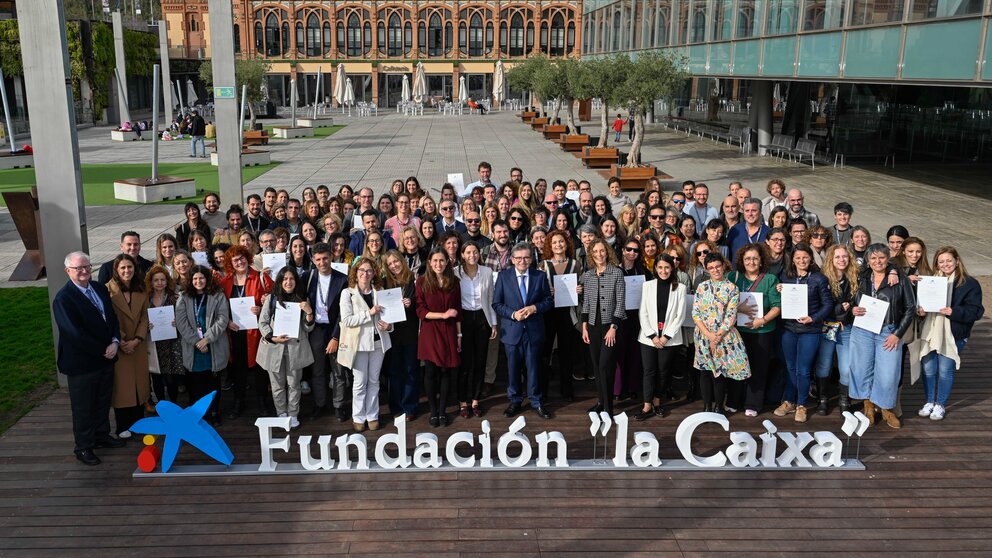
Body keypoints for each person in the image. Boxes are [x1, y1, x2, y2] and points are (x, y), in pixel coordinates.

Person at [54, 252, 126, 466]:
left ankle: (101, 436)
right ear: (68, 271)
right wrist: (103, 349)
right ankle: (84, 447)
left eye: (87, 266)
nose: (85, 271)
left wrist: (114, 341)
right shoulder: (64, 298)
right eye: (79, 268)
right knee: (84, 406)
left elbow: (111, 318)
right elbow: (74, 334)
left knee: (103, 400)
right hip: (82, 363)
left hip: (106, 356)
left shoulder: (99, 288)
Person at [850, 244, 916, 429]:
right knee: (863, 369)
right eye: (873, 258)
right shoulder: (861, 276)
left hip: (889, 331)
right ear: (868, 261)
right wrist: (854, 308)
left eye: (881, 258)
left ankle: (886, 407)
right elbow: (854, 297)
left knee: (888, 374)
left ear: (888, 259)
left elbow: (910, 308)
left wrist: (897, 334)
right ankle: (868, 405)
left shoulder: (899, 278)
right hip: (863, 329)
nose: (877, 262)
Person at [916, 247, 984, 421]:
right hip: (929, 332)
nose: (945, 264)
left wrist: (954, 311)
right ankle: (930, 400)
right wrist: (920, 311)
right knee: (928, 369)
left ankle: (940, 404)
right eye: (941, 261)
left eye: (949, 260)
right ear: (936, 264)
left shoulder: (969, 283)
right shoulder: (929, 281)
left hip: (953, 334)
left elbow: (976, 311)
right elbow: (919, 304)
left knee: (945, 370)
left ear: (957, 261)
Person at [493, 242, 554, 419]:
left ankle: (536, 401)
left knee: (534, 368)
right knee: (512, 369)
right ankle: (515, 400)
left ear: (531, 259)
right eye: (518, 258)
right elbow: (497, 304)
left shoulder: (540, 276)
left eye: (526, 257)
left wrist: (534, 308)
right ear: (512, 259)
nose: (522, 261)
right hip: (512, 331)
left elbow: (548, 301)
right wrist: (513, 314)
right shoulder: (504, 277)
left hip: (534, 331)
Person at [774, 244, 833, 423]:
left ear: (810, 258)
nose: (802, 261)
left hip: (810, 330)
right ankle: (789, 401)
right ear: (793, 259)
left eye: (805, 257)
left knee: (804, 369)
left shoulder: (819, 279)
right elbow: (779, 300)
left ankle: (801, 404)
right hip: (789, 329)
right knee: (790, 367)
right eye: (798, 258)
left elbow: (827, 305)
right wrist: (779, 289)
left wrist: (813, 318)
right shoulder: (785, 277)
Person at [338, 259, 394, 432]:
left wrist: (390, 326)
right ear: (356, 272)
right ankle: (358, 416)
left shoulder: (381, 291)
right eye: (362, 270)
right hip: (359, 344)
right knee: (360, 382)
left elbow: (390, 317)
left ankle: (372, 415)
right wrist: (368, 313)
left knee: (374, 381)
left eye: (369, 271)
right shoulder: (347, 293)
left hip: (378, 343)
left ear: (374, 273)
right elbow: (347, 320)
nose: (365, 274)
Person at [692, 253, 750, 414]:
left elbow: (731, 316)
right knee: (705, 371)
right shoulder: (702, 287)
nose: (715, 270)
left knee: (719, 372)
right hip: (703, 335)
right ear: (706, 269)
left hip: (723, 336)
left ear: (723, 266)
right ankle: (706, 406)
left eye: (717, 266)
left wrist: (716, 336)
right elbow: (696, 313)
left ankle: (718, 406)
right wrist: (708, 335)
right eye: (711, 267)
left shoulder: (732, 288)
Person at [257, 268, 314, 430]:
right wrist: (272, 337)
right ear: (280, 282)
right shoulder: (271, 298)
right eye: (285, 279)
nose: (288, 282)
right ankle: (281, 412)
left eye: (291, 279)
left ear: (296, 281)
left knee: (294, 383)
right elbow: (263, 323)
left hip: (295, 348)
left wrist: (309, 313)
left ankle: (293, 413)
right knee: (277, 384)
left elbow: (308, 328)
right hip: (274, 347)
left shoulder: (303, 299)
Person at [728, 243, 781, 417]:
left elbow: (777, 306)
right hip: (737, 331)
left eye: (755, 258)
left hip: (762, 332)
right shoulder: (733, 277)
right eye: (747, 259)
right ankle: (733, 401)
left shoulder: (770, 279)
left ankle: (753, 403)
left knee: (759, 368)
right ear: (741, 261)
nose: (751, 262)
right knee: (736, 366)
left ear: (761, 260)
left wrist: (763, 320)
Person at [219, 245, 272, 418]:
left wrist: (261, 307)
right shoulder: (225, 282)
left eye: (242, 258)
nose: (240, 262)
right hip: (235, 332)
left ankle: (262, 401)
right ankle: (238, 401)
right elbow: (219, 308)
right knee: (237, 369)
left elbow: (274, 300)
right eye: (235, 260)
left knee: (260, 369)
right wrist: (226, 322)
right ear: (230, 263)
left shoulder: (260, 277)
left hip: (256, 332)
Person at [175, 265, 230, 426]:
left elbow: (222, 319)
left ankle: (214, 411)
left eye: (202, 278)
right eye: (195, 278)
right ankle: (198, 414)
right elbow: (181, 322)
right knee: (195, 383)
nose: (198, 281)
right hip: (193, 348)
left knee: (213, 383)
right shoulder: (184, 297)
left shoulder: (217, 295)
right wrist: (197, 342)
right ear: (191, 281)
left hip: (213, 345)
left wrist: (206, 339)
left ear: (207, 279)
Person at [636, 254, 688, 420]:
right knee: (648, 371)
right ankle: (646, 406)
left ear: (672, 268)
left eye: (667, 267)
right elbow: (642, 312)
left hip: (669, 339)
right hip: (648, 337)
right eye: (660, 267)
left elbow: (680, 315)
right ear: (655, 269)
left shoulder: (680, 288)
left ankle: (657, 403)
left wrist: (665, 336)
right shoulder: (647, 286)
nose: (663, 271)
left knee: (663, 372)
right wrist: (652, 335)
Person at [303, 243, 350, 422]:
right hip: (315, 330)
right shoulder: (307, 277)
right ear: (313, 261)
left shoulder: (342, 279)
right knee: (317, 371)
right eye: (318, 259)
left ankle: (339, 405)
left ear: (331, 257)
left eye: (325, 258)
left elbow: (344, 312)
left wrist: (336, 336)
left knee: (338, 371)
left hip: (336, 329)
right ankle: (320, 404)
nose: (322, 262)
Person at [416, 248, 463, 427]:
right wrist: (443, 315)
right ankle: (433, 411)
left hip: (450, 331)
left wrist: (459, 335)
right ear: (429, 262)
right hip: (430, 331)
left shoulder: (454, 282)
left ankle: (443, 411)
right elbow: (420, 311)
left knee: (446, 371)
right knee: (430, 371)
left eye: (442, 260)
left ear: (447, 262)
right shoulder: (421, 282)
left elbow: (458, 310)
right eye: (435, 260)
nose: (438, 264)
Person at [105, 254, 150, 439]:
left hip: (137, 345)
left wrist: (137, 340)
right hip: (119, 344)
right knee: (122, 387)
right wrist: (122, 341)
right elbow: (108, 318)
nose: (126, 271)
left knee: (140, 384)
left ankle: (139, 423)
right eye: (122, 268)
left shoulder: (142, 289)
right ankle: (122, 425)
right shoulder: (107, 290)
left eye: (129, 267)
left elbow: (145, 317)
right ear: (116, 270)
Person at [581, 238, 627, 415]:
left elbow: (620, 303)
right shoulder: (589, 274)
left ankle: (608, 408)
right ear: (591, 255)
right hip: (593, 326)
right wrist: (584, 326)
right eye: (595, 252)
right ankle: (601, 402)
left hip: (610, 327)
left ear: (607, 252)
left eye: (602, 251)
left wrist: (614, 327)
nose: (599, 254)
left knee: (604, 367)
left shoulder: (616, 273)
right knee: (596, 367)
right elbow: (586, 303)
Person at [814, 244, 859, 414]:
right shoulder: (822, 278)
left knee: (846, 367)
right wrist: (840, 308)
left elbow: (858, 300)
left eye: (845, 256)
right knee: (824, 364)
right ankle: (822, 399)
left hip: (846, 327)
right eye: (838, 257)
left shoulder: (856, 277)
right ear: (831, 260)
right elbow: (819, 304)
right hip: (827, 326)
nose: (842, 260)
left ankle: (844, 399)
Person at [454, 242, 498, 418]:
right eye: (468, 252)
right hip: (463, 319)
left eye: (475, 252)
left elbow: (490, 298)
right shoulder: (455, 272)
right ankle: (463, 401)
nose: (472, 255)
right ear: (462, 255)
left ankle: (475, 400)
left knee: (480, 361)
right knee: (465, 362)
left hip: (482, 318)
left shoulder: (486, 272)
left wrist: (493, 323)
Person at [383, 250, 421, 419]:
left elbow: (419, 303)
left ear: (402, 261)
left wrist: (410, 303)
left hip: (410, 332)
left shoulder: (413, 280)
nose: (394, 265)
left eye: (396, 261)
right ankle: (396, 407)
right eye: (390, 264)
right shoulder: (385, 283)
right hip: (392, 333)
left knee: (411, 370)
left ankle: (410, 407)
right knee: (394, 371)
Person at [145, 265, 184, 405]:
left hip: (171, 343)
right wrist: (146, 326)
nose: (159, 283)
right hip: (154, 343)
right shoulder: (146, 299)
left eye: (162, 279)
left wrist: (176, 323)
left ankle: (173, 404)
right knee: (156, 377)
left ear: (167, 281)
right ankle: (161, 405)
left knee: (171, 377)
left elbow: (182, 317)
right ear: (151, 282)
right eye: (156, 280)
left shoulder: (175, 297)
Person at [727, 198, 769, 264]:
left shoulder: (768, 233)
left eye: (754, 210)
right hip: (737, 273)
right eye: (747, 211)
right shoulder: (735, 230)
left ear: (760, 212)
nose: (750, 214)